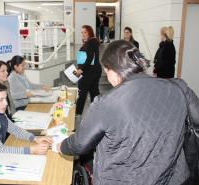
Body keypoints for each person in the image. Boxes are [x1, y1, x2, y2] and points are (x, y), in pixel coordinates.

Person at [57, 40, 199, 185]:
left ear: (113, 69)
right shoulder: (179, 87)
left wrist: (61, 146)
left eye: (106, 72)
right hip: (172, 177)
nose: (107, 76)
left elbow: (79, 144)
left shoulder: (107, 103)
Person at [0, 82, 52, 181]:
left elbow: (14, 129)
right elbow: (0, 150)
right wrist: (31, 150)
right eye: (1, 100)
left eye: (5, 98)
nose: (6, 103)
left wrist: (35, 138)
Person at [75, 25, 102, 121]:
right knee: (94, 93)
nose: (83, 34)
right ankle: (96, 114)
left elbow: (90, 58)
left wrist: (81, 70)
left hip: (90, 72)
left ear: (89, 32)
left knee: (82, 93)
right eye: (81, 32)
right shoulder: (90, 42)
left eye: (85, 32)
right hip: (92, 71)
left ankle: (78, 114)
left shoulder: (91, 42)